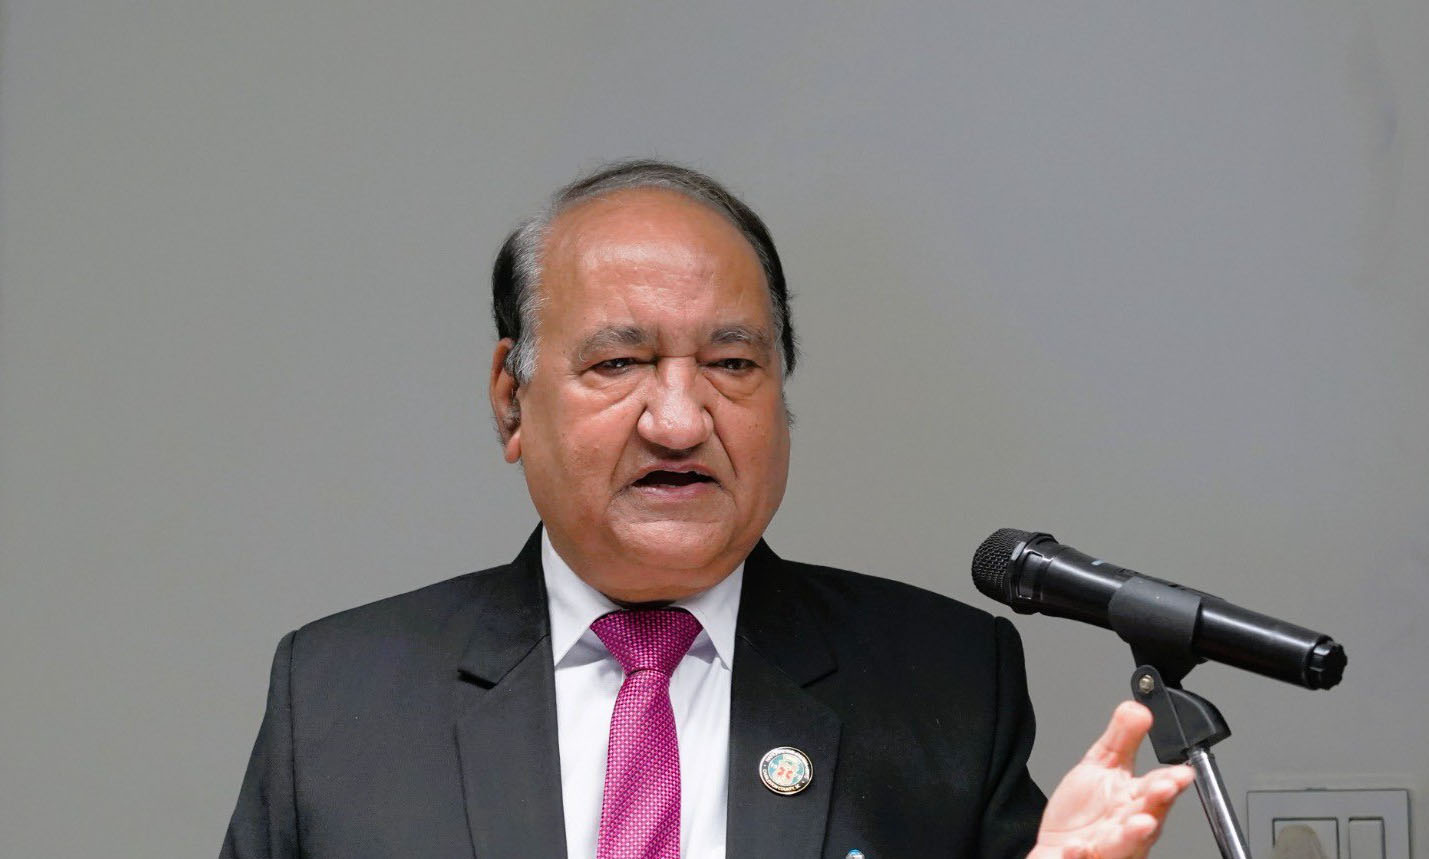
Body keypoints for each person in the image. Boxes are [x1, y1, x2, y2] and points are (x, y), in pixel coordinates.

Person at [222, 160, 1193, 858]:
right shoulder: (342, 695)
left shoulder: (942, 680)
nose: (681, 420)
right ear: (511, 399)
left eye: (731, 363)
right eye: (619, 362)